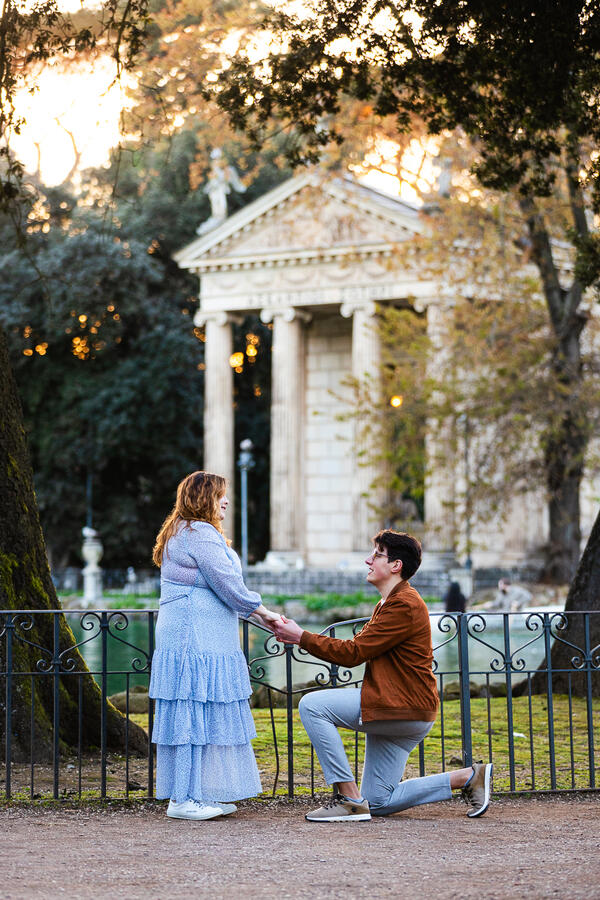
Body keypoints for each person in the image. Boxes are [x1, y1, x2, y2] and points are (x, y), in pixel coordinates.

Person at [272, 530, 493, 823]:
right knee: (377, 801)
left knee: (313, 706)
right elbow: (358, 649)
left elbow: (353, 653)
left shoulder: (404, 604)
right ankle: (468, 777)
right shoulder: (389, 603)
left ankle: (349, 799)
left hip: (402, 707)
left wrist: (301, 636)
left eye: (376, 554)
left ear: (395, 565)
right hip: (403, 710)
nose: (368, 560)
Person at [149, 471, 281, 821]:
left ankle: (196, 792)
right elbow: (230, 586)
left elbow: (223, 587)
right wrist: (268, 616)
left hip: (197, 637)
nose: (226, 501)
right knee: (190, 714)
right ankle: (183, 800)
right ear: (203, 498)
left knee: (195, 714)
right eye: (220, 495)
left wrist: (259, 615)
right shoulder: (199, 533)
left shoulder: (184, 531)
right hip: (194, 639)